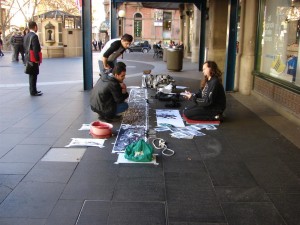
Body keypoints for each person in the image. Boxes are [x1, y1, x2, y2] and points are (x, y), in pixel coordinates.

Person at [23, 21, 43, 96]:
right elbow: (35, 49)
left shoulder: (26, 35)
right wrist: (37, 59)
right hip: (33, 58)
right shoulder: (34, 36)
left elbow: (24, 47)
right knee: (34, 74)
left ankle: (33, 90)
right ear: (35, 27)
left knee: (31, 74)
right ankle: (33, 91)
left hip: (28, 57)